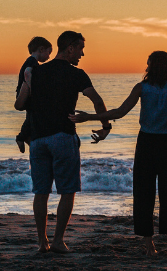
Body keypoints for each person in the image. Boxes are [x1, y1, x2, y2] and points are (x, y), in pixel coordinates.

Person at [69, 51, 167, 258]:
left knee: (143, 193)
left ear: (150, 66)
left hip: (147, 142)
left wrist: (91, 117)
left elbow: (119, 112)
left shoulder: (143, 88)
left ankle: (150, 247)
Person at [14, 31, 111, 254]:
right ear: (69, 48)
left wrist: (28, 86)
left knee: (41, 192)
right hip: (63, 137)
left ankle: (42, 242)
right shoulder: (77, 74)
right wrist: (105, 127)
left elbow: (21, 104)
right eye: (80, 49)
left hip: (38, 139)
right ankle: (58, 240)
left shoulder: (36, 72)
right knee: (67, 191)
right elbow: (96, 100)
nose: (82, 54)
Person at [16, 36, 53, 153]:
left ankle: (25, 138)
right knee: (31, 116)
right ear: (41, 49)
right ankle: (21, 137)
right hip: (26, 94)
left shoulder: (30, 61)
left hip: (24, 93)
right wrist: (32, 89)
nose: (49, 56)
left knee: (31, 117)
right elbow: (27, 73)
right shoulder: (32, 62)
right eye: (49, 52)